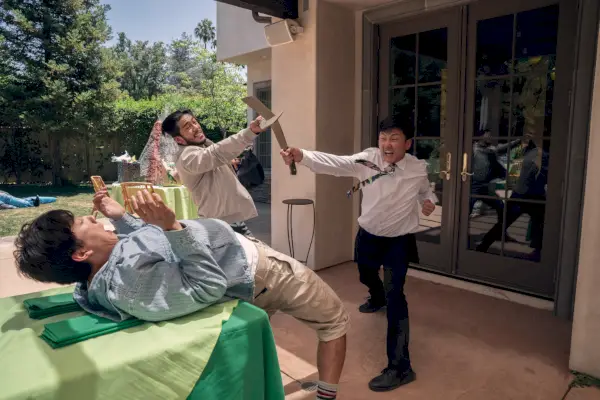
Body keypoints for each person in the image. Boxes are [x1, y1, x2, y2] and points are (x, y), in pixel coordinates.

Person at [14, 189, 348, 400]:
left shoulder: (106, 269)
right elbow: (207, 285)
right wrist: (172, 226)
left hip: (241, 260)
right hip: (258, 270)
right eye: (80, 223)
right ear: (81, 253)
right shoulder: (130, 288)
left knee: (261, 328)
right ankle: (327, 396)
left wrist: (123, 218)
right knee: (334, 321)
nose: (89, 216)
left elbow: (147, 244)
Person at [280, 116, 437, 393]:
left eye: (394, 138)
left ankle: (400, 367)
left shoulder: (417, 168)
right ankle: (376, 296)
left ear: (407, 143)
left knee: (396, 296)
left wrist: (428, 201)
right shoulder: (368, 160)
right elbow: (336, 163)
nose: (387, 144)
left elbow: (425, 191)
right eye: (383, 138)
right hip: (368, 235)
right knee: (365, 274)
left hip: (399, 241)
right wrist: (302, 155)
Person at [161, 110, 262, 237]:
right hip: (221, 223)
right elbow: (216, 153)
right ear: (179, 139)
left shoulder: (202, 146)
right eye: (188, 127)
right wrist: (250, 132)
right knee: (254, 249)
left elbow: (214, 155)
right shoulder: (187, 157)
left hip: (227, 219)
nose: (196, 127)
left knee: (253, 248)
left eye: (194, 122)